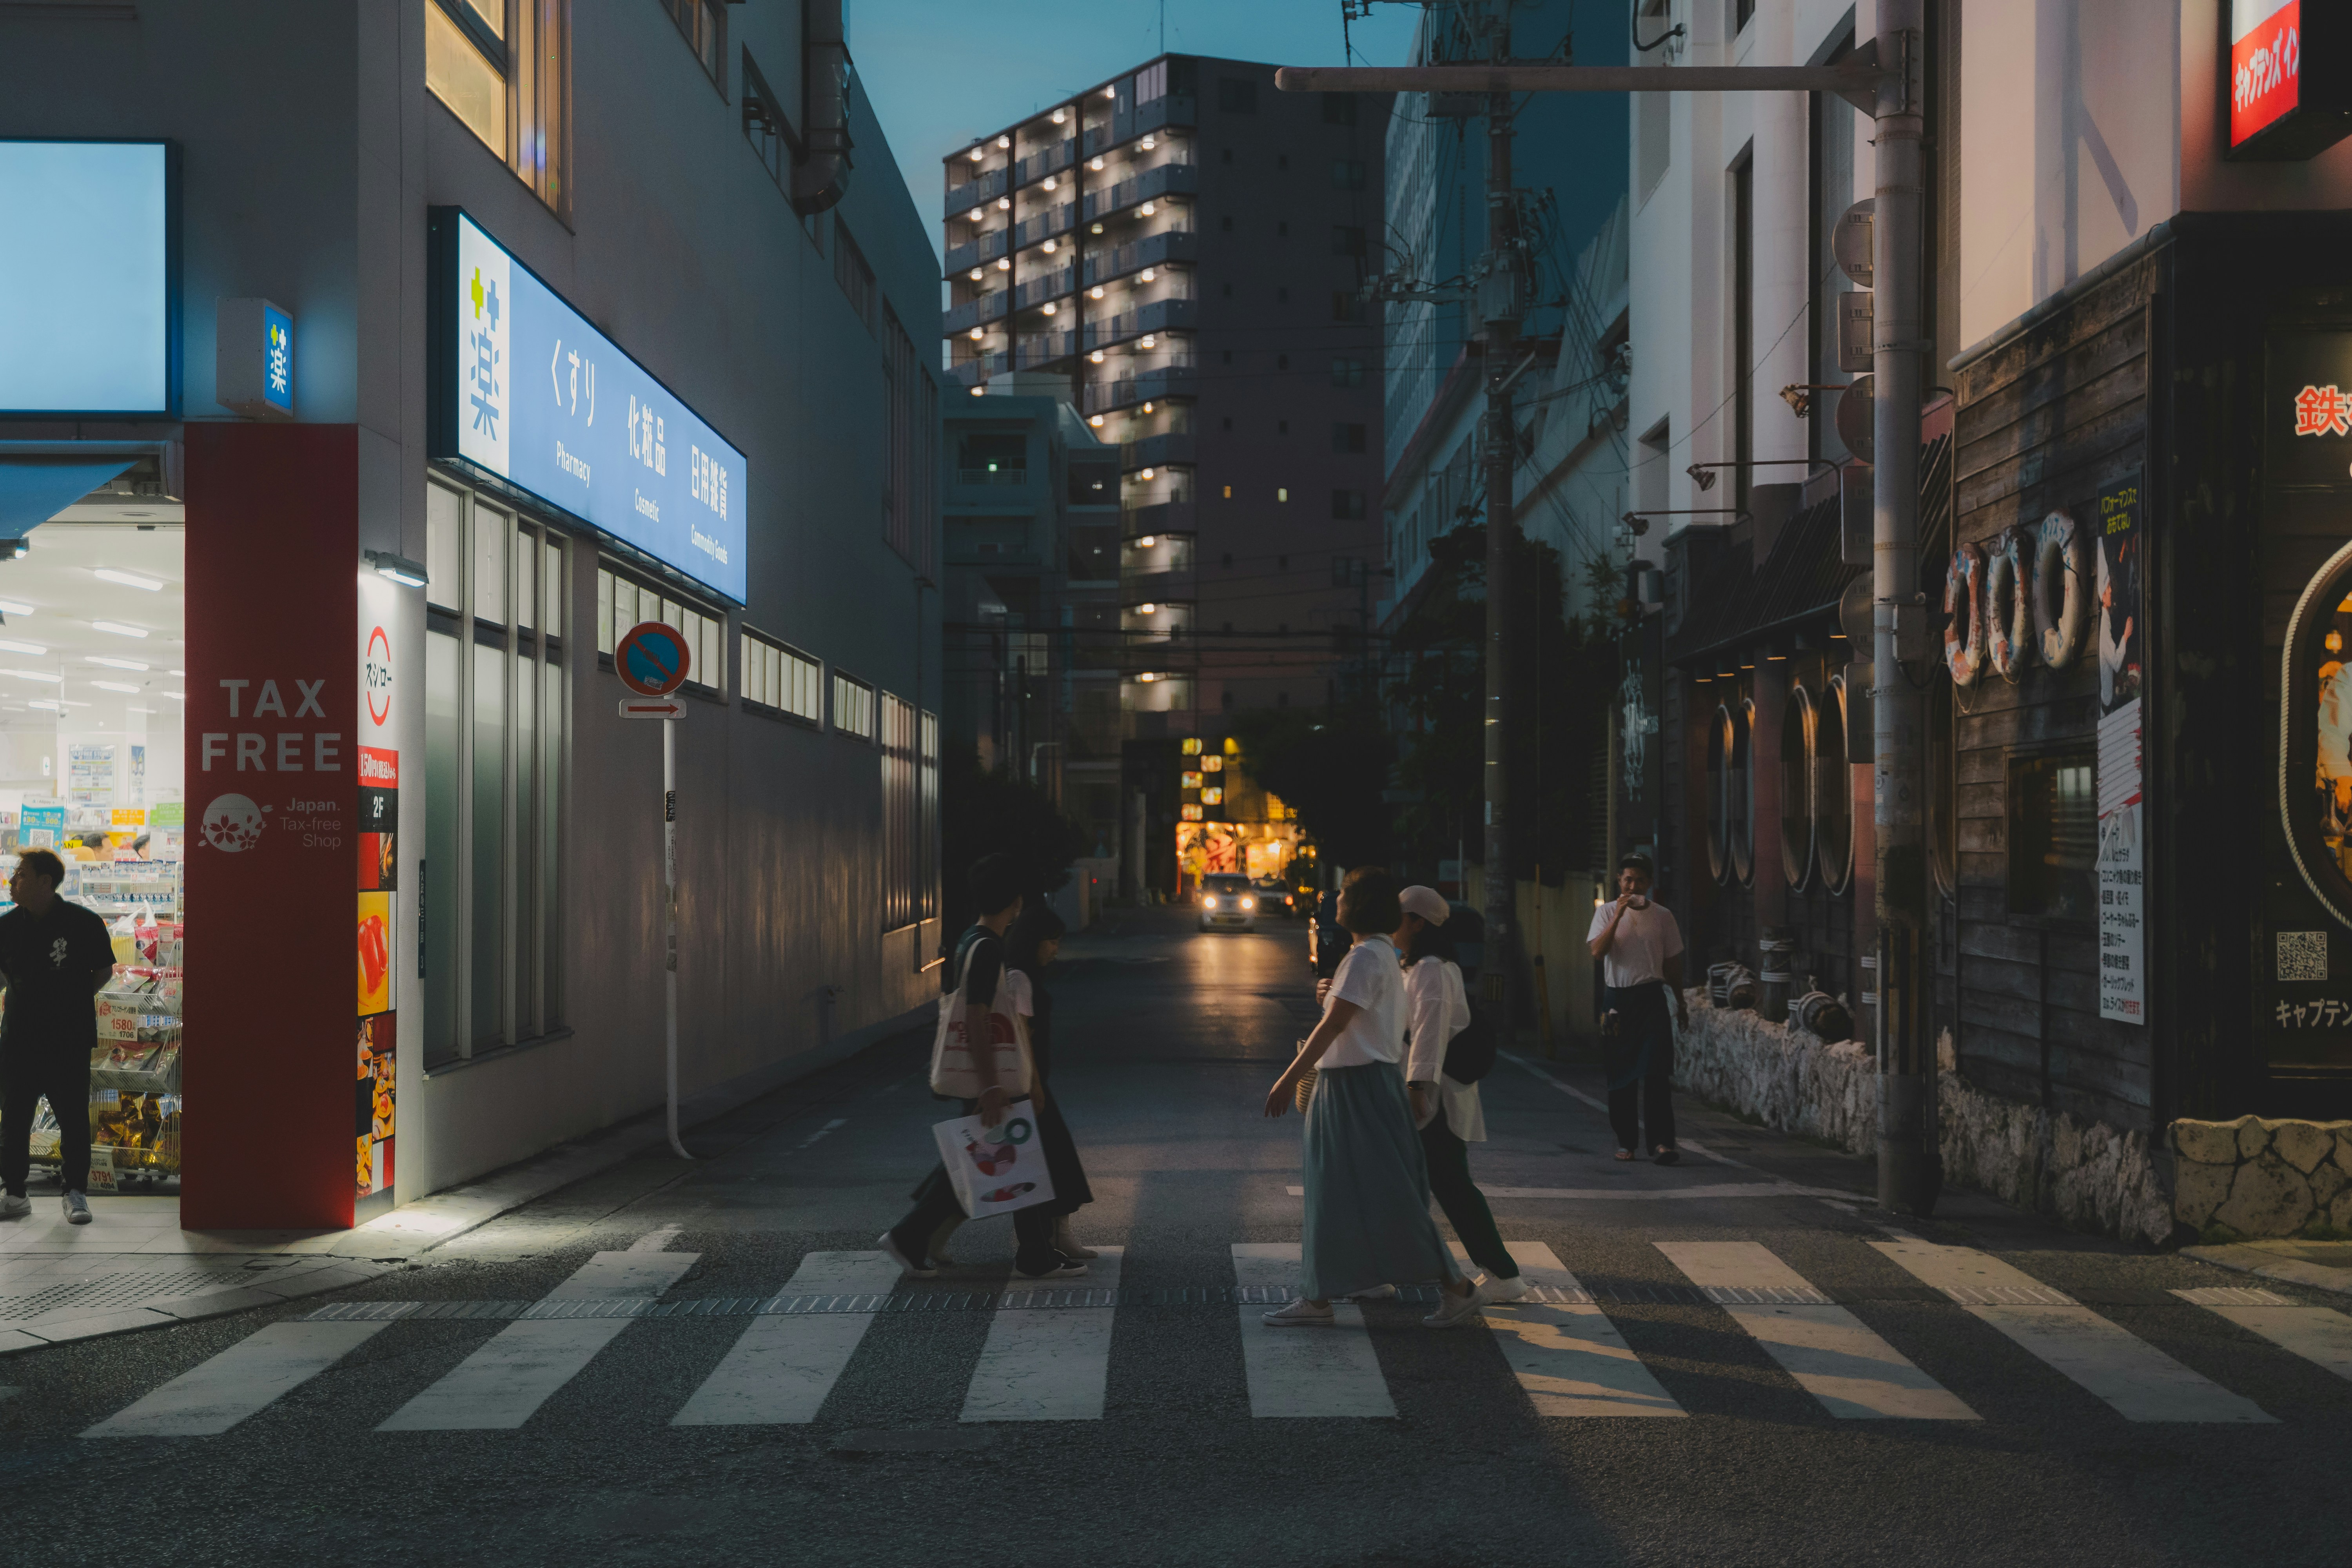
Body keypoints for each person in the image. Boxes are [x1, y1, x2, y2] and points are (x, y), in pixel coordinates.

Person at [1263, 866, 1481, 1329]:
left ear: (1359, 904)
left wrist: (1286, 1078)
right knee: (1361, 1193)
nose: (1337, 900)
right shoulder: (1382, 953)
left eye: (1344, 893)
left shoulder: (1365, 956)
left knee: (1357, 1193)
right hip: (1367, 1082)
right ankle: (1322, 1294)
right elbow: (1353, 1018)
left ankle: (1455, 1286)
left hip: (1353, 1087)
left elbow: (1334, 1025)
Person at [879, 853, 1087, 1281]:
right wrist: (991, 1087)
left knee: (1010, 1154)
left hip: (991, 1076)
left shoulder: (969, 940)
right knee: (985, 1157)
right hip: (993, 1077)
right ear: (1014, 901)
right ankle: (909, 1235)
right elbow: (977, 1015)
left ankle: (1034, 1252)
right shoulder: (988, 947)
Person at [931, 902, 1095, 1266]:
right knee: (1025, 1164)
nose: (1056, 949)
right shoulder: (1017, 976)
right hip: (1019, 1085)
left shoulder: (1014, 969)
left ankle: (1043, 1245)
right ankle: (1040, 1249)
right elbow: (1022, 1035)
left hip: (1018, 1084)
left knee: (1015, 1164)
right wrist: (1031, 1084)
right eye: (1051, 941)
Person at [1396, 885, 1524, 1301]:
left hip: (1437, 1097)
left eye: (1398, 917)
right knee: (1430, 1183)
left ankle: (1503, 1274)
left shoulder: (1432, 969)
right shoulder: (1416, 966)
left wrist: (1417, 1087)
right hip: (1427, 1093)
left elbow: (1429, 1034)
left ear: (1418, 923)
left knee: (1451, 1185)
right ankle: (1382, 1268)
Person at [0, 849, 116, 1225]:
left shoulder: (84, 923)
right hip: (19, 1038)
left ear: (45, 882)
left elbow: (104, 970)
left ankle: (75, 1192)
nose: (12, 881)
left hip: (68, 1038)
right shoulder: (6, 926)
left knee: (73, 1117)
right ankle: (14, 1193)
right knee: (14, 1118)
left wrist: (71, 1000)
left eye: (21, 874)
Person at [1586, 853, 1689, 1165]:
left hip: (1651, 999)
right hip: (1616, 1002)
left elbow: (1672, 965)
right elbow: (1598, 952)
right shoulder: (1605, 913)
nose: (1633, 886)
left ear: (1650, 883)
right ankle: (1627, 1141)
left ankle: (1662, 1143)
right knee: (1620, 1075)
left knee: (1657, 1072)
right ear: (1619, 880)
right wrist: (1618, 915)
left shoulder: (1663, 916)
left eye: (1640, 881)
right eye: (1628, 880)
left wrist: (1681, 1001)